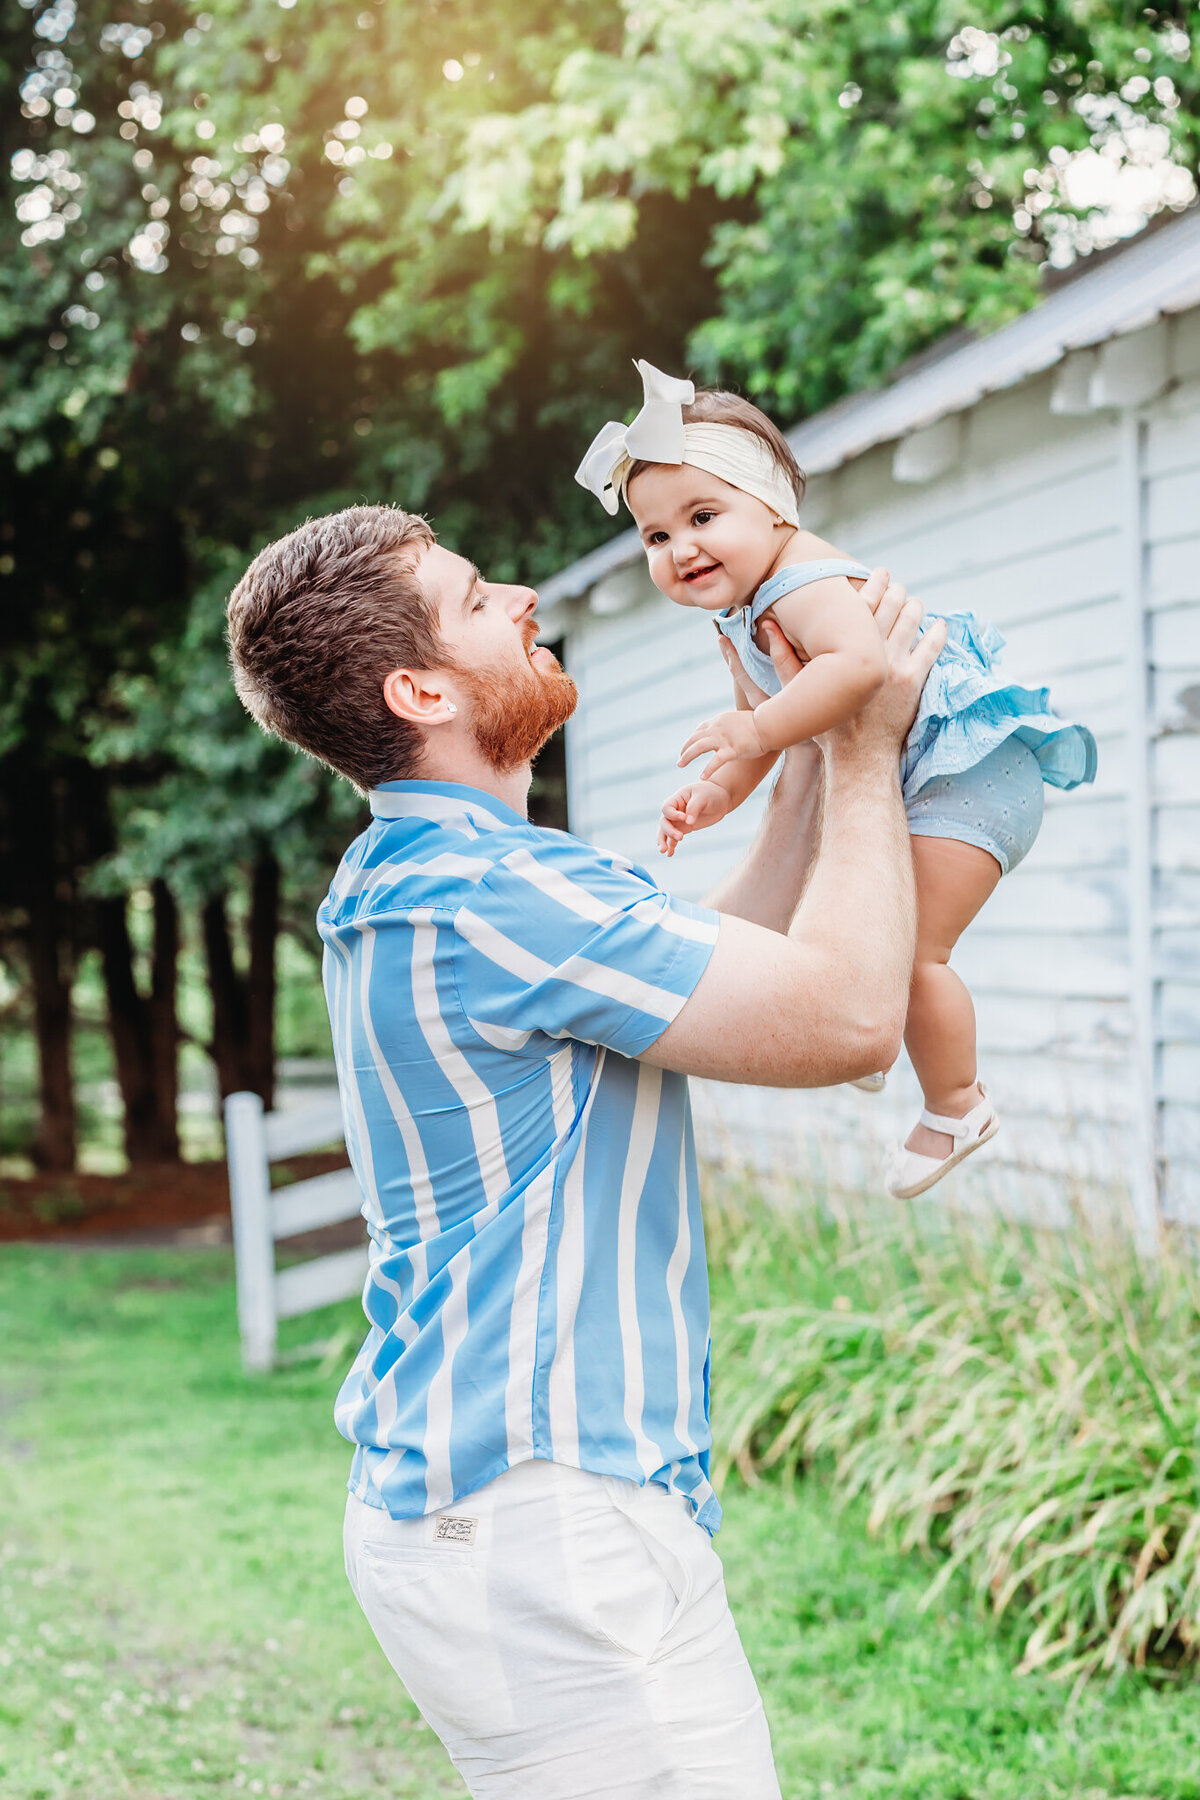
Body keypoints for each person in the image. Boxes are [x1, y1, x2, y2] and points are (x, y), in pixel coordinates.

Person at [226, 501, 941, 1800]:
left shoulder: (448, 878)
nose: (523, 594)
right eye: (474, 594)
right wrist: (866, 747)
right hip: (545, 1527)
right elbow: (842, 1017)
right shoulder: (494, 895)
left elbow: (709, 978)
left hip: (497, 1515)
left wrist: (801, 751)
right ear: (420, 685)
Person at [576, 361, 1098, 1198]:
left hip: (970, 775)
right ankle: (876, 1026)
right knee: (867, 917)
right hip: (932, 775)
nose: (682, 548)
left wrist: (756, 724)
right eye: (656, 536)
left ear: (774, 506)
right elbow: (772, 732)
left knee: (914, 949)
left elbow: (856, 669)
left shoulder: (805, 578)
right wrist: (715, 790)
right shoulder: (744, 613)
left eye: (704, 515)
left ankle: (957, 1104)